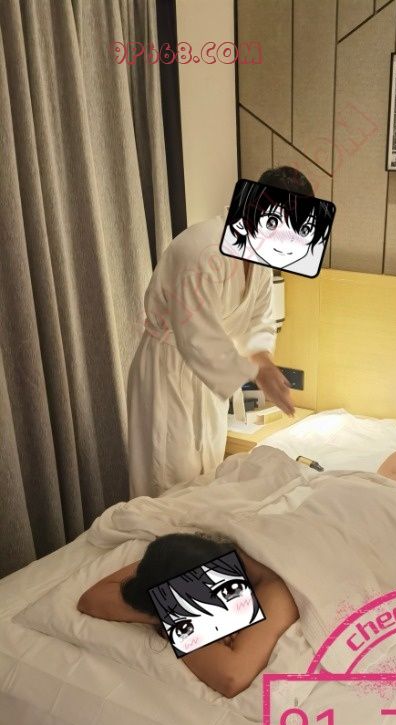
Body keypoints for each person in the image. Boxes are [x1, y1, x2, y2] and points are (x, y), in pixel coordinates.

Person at [78, 430, 396, 697]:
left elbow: (232, 676)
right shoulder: (195, 552)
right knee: (392, 477)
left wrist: (171, 619)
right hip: (334, 509)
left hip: (353, 516)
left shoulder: (276, 585)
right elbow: (92, 598)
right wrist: (167, 610)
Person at [126, 166, 311, 499]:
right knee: (166, 479)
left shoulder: (260, 259)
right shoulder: (202, 251)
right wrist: (256, 373)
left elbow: (259, 319)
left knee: (207, 473)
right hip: (170, 369)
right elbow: (196, 337)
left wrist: (264, 361)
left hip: (209, 378)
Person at [220, 178, 334, 274]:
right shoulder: (215, 249)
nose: (288, 243)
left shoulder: (262, 264)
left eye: (305, 230)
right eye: (272, 223)